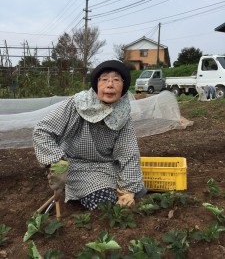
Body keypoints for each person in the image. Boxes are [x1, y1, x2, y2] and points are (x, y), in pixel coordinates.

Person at [33, 60, 147, 210]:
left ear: (123, 86)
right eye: (104, 79)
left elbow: (128, 152)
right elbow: (42, 131)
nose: (110, 84)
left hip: (107, 166)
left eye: (116, 80)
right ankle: (85, 192)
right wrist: (57, 162)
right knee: (104, 202)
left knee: (137, 191)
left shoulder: (122, 113)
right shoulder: (76, 104)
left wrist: (128, 190)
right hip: (76, 165)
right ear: (96, 84)